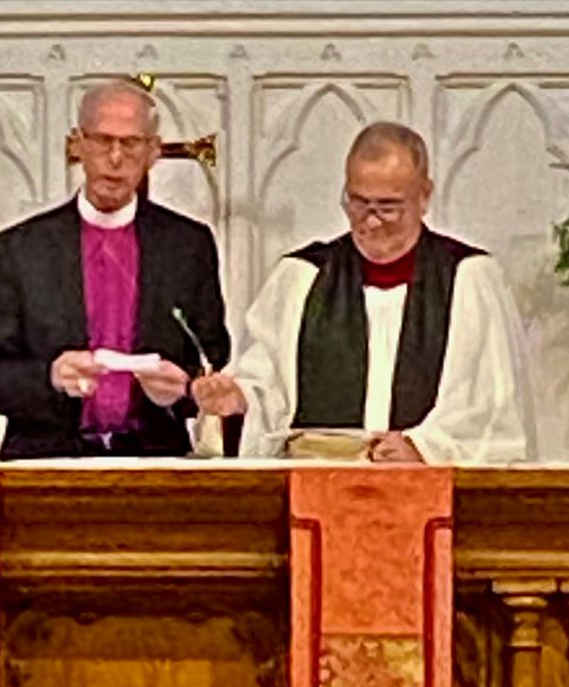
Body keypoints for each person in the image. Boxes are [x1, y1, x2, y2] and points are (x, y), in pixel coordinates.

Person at [193, 122, 534, 463]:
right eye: (358, 203)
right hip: (318, 481)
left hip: (424, 486)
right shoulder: (301, 277)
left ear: (424, 196)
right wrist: (238, 402)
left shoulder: (469, 279)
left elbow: (491, 409)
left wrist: (424, 448)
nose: (371, 222)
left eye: (388, 207)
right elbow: (267, 392)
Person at [0, 80, 230, 459]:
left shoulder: (187, 246)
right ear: (77, 144)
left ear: (153, 152)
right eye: (102, 141)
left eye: (131, 144)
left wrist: (184, 389)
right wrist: (51, 377)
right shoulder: (20, 249)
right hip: (46, 459)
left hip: (156, 460)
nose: (115, 158)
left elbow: (213, 357)